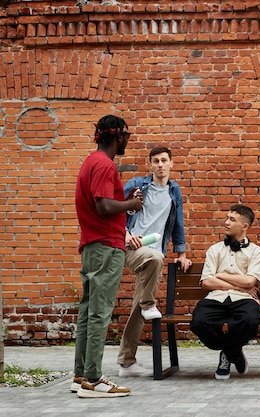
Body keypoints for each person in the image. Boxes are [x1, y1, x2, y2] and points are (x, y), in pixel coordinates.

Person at [72, 115, 143, 398]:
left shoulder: (91, 162)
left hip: (92, 245)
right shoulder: (104, 164)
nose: (127, 140)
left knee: (88, 312)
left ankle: (80, 376)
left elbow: (100, 201)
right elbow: (103, 206)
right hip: (106, 246)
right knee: (99, 313)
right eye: (126, 135)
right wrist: (132, 204)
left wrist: (125, 199)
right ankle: (93, 379)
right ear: (117, 136)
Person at [117, 146, 193, 378]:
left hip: (153, 254)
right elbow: (113, 210)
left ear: (171, 164)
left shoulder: (174, 190)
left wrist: (181, 254)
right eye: (156, 161)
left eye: (164, 161)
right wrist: (125, 234)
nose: (160, 165)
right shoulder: (136, 185)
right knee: (155, 262)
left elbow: (177, 222)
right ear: (150, 165)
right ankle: (149, 304)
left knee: (138, 305)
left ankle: (126, 363)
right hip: (130, 248)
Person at [190, 204, 260, 380]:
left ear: (245, 226)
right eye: (227, 218)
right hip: (216, 297)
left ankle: (227, 353)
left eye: (232, 220)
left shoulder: (256, 252)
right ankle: (234, 351)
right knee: (199, 322)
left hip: (244, 299)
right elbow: (207, 282)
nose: (226, 222)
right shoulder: (215, 249)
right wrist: (238, 285)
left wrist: (222, 275)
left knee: (250, 320)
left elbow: (250, 281)